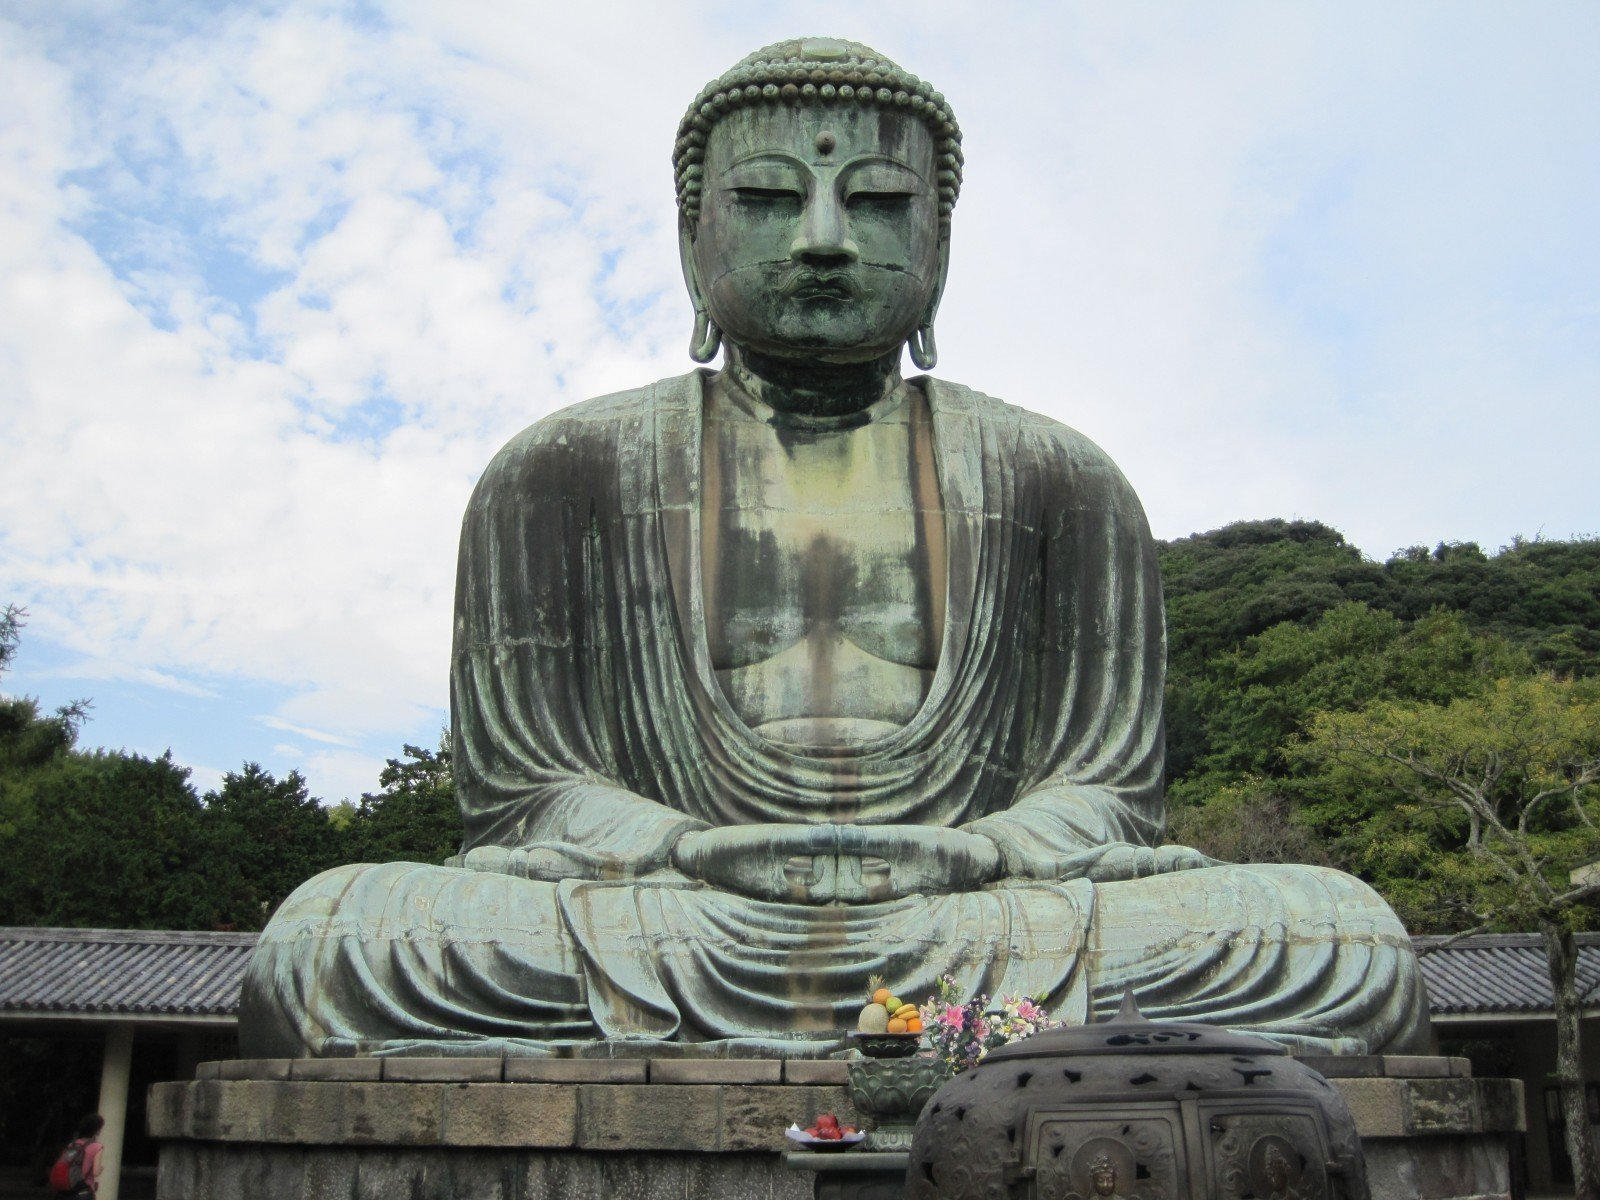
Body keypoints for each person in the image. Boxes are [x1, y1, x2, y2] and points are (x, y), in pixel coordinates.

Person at [240, 37, 1431, 1058]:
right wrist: (688, 846)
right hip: (674, 912)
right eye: (767, 199)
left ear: (939, 247)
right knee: (336, 940)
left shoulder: (1059, 478)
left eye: (876, 205)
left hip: (982, 915)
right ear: (691, 240)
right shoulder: (561, 471)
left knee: (1337, 937)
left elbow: (1104, 793)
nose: (821, 240)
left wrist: (977, 855)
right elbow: (528, 795)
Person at [48, 1114, 103, 1197]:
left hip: (65, 1189)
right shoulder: (96, 1146)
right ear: (97, 1130)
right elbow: (95, 1172)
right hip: (82, 1191)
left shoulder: (73, 1144)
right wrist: (101, 1169)